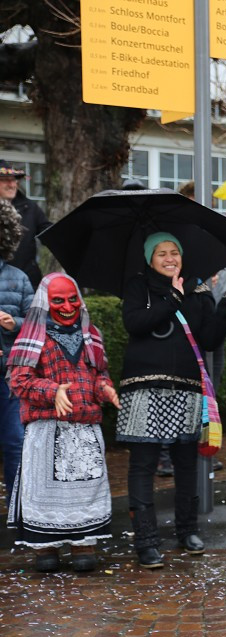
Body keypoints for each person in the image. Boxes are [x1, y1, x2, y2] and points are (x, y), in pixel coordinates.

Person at [117, 232, 226, 569]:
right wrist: (172, 299)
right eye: (161, 253)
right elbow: (135, 323)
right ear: (150, 259)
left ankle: (187, 530)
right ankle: (146, 541)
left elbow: (209, 337)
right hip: (143, 387)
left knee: (186, 462)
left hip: (186, 387)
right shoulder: (137, 287)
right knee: (144, 464)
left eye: (174, 252)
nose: (169, 258)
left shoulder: (198, 289)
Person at [6, 273, 118, 572]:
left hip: (85, 427)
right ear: (46, 302)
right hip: (47, 428)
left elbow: (100, 373)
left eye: (72, 299)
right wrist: (52, 391)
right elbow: (19, 381)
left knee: (87, 488)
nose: (67, 306)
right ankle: (47, 548)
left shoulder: (91, 334)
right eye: (58, 300)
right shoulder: (31, 338)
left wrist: (104, 388)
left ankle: (84, 543)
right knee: (46, 491)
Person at [0, 199, 32, 504]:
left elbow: (37, 325)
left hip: (10, 377)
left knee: (15, 442)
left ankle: (19, 508)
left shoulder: (18, 278)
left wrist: (14, 323)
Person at [0, 160, 49, 288]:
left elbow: (49, 233)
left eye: (14, 180)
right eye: (5, 180)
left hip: (28, 281)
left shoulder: (30, 207)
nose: (12, 184)